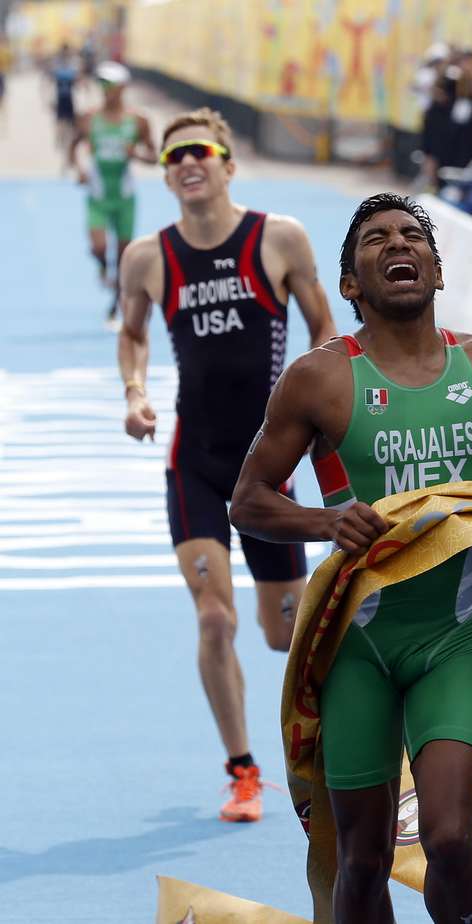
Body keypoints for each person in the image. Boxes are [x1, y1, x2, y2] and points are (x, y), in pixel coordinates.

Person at [229, 193, 472, 922]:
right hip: (356, 643)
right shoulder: (319, 379)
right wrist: (325, 520)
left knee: (447, 833)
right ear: (351, 284)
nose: (396, 244)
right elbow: (247, 502)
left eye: (412, 236)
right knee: (363, 856)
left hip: (458, 633)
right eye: (375, 239)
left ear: (436, 271)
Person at [118, 107, 336, 822]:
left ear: (227, 163)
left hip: (266, 470)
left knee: (288, 634)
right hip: (197, 464)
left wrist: (322, 403)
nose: (187, 163)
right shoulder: (149, 256)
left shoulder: (278, 238)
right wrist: (136, 394)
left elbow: (323, 324)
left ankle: (344, 748)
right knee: (215, 619)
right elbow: (133, 333)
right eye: (172, 155)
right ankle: (243, 772)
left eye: (200, 152)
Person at [70, 61, 156, 327]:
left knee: (123, 256)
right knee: (99, 247)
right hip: (98, 195)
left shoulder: (138, 120)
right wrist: (80, 169)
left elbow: (155, 156)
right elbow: (74, 146)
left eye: (110, 85)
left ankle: (114, 305)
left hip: (124, 197)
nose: (105, 90)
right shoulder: (89, 118)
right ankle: (102, 267)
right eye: (102, 85)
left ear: (123, 88)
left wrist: (137, 155)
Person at [48, 43, 80, 163]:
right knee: (60, 121)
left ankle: (70, 143)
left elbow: (77, 81)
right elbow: (51, 82)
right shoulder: (59, 66)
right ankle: (60, 139)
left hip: (69, 98)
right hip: (60, 98)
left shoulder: (71, 65)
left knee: (70, 123)